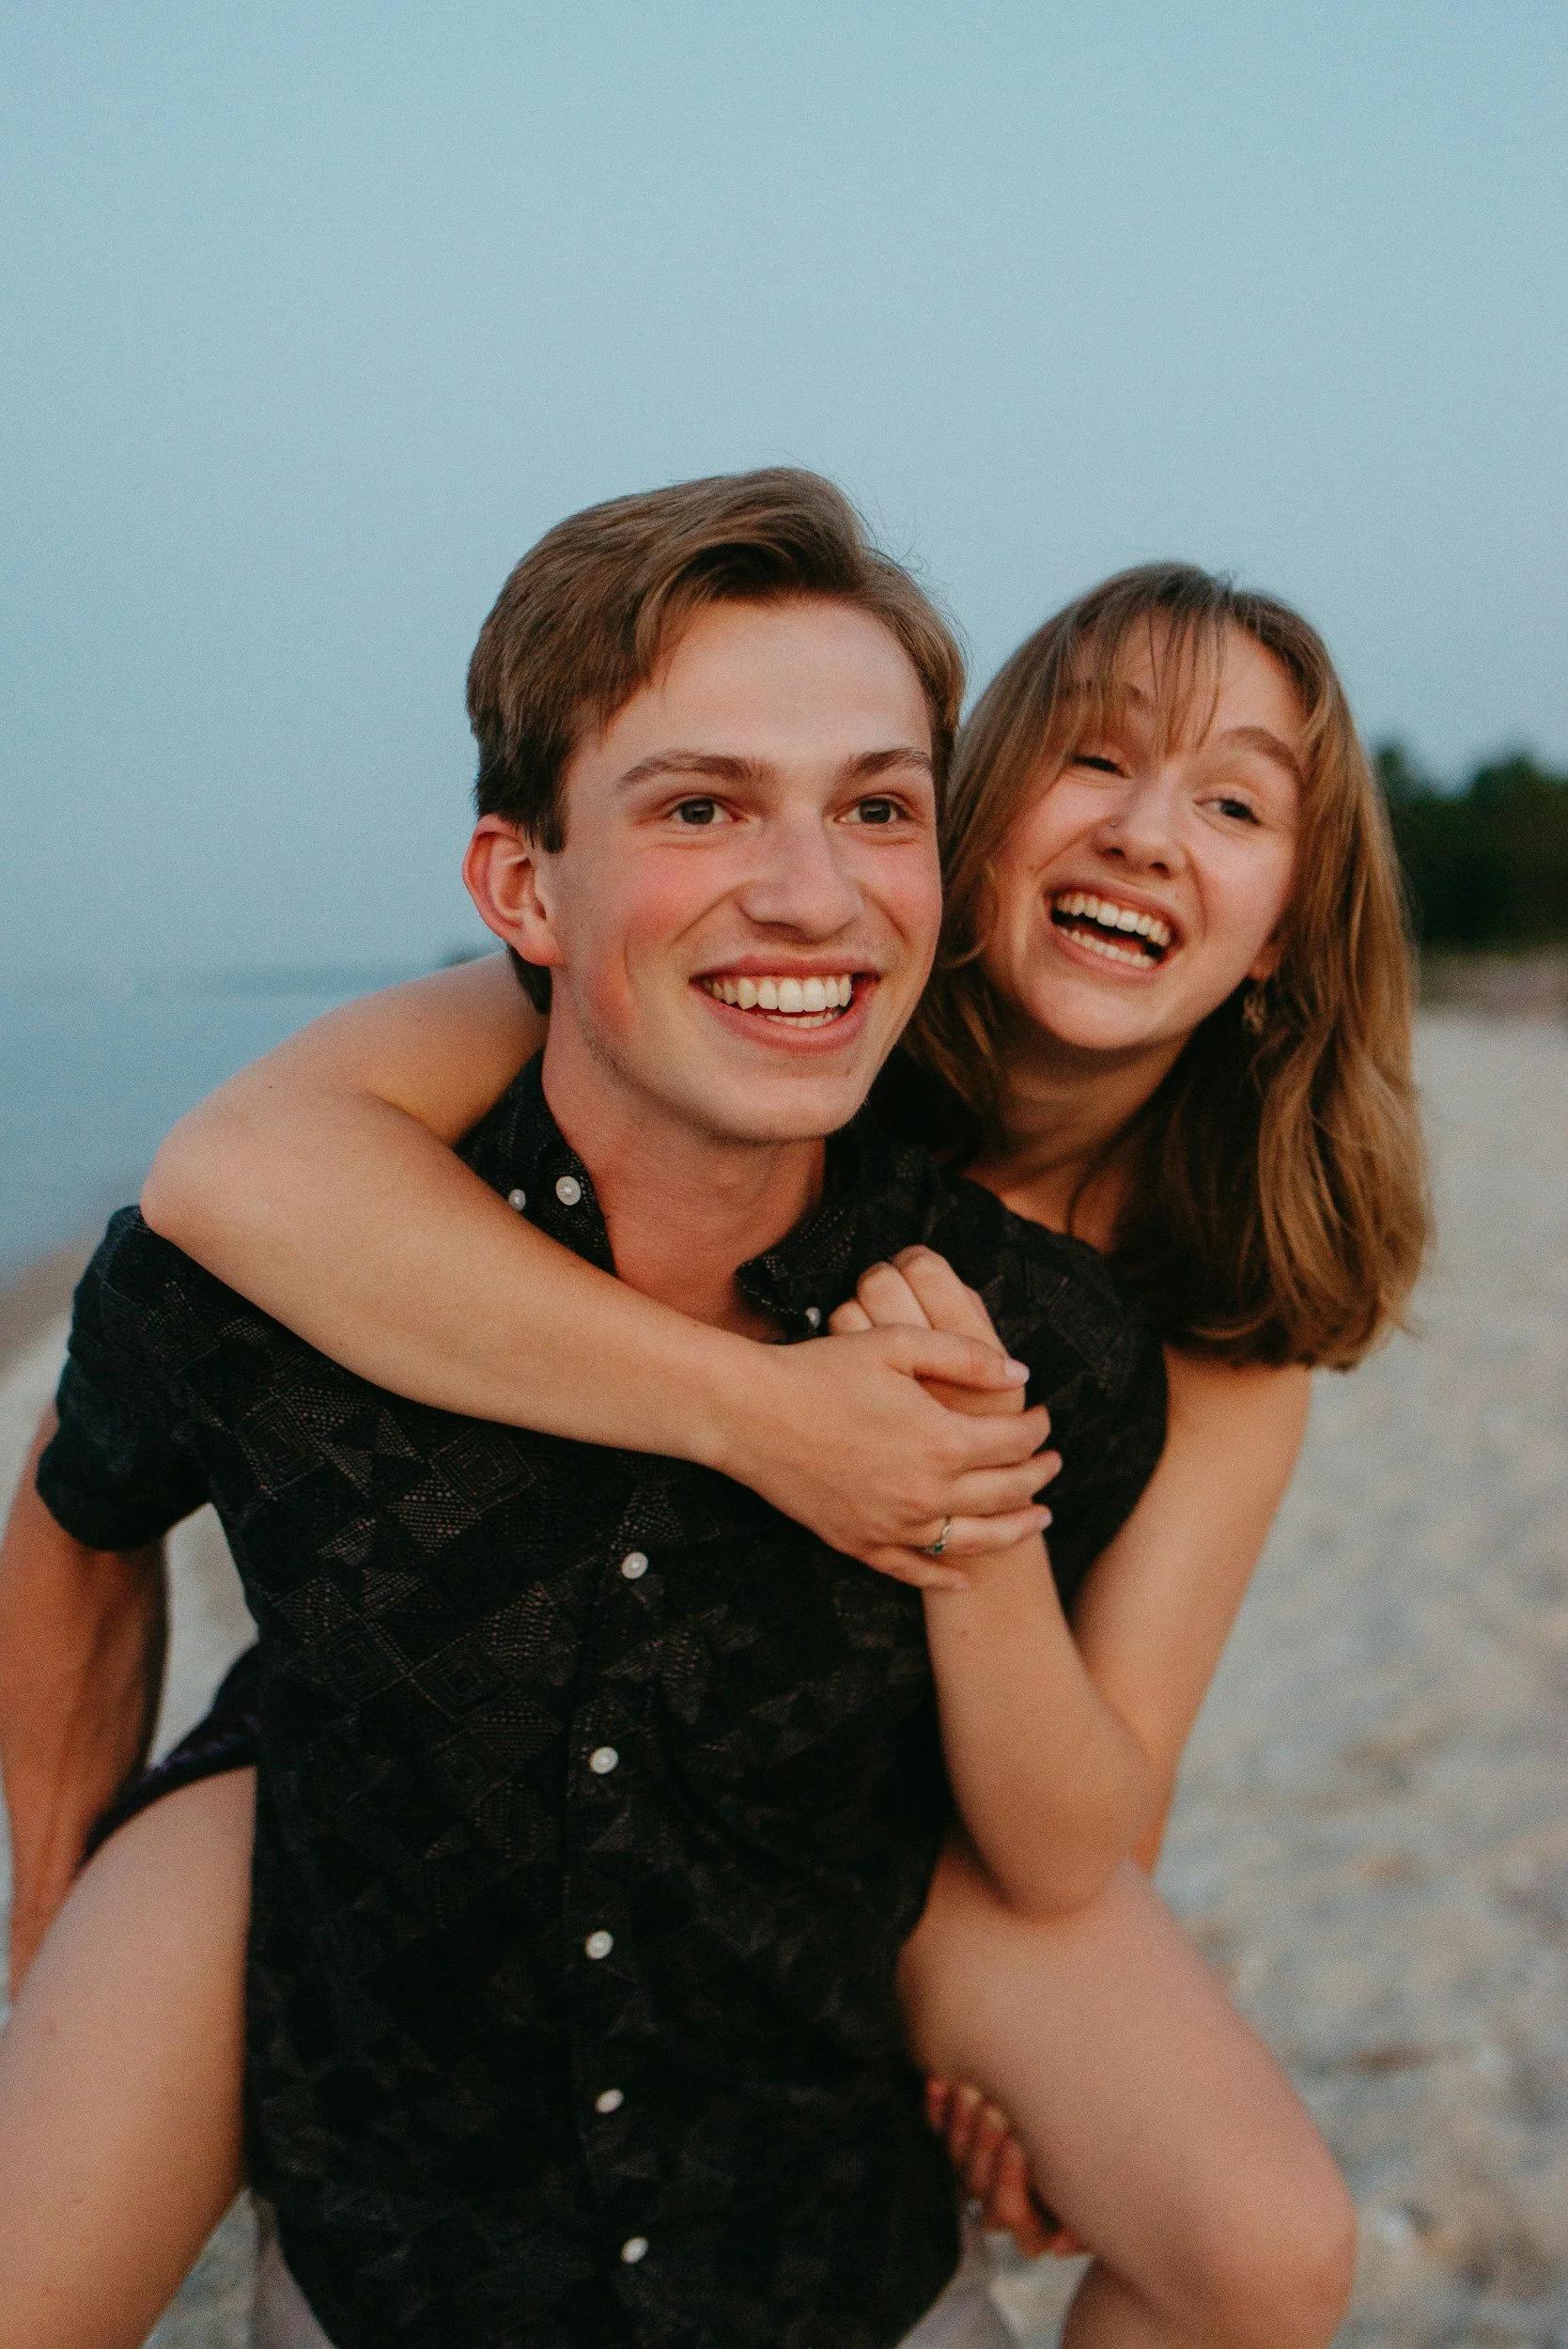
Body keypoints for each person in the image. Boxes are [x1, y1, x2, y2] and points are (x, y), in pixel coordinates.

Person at [0, 471, 1177, 2349]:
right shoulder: (255, 1284)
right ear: (522, 886)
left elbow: (1035, 1826)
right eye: (703, 804)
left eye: (876, 805)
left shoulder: (1046, 1345)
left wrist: (1032, 2060)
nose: (810, 891)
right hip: (389, 2279)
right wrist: (55, 1907)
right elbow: (76, 1515)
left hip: (847, 2288)